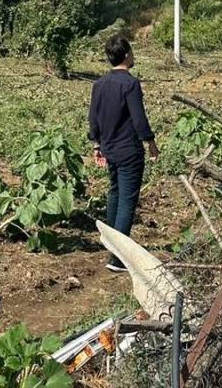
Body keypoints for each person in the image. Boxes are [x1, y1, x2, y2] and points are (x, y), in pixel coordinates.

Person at [88, 35, 159, 272]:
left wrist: (97, 145)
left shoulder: (99, 85)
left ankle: (112, 245)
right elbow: (139, 119)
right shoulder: (130, 84)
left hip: (109, 148)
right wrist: (150, 142)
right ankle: (117, 259)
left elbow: (94, 119)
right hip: (129, 149)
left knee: (115, 194)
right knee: (127, 200)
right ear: (127, 54)